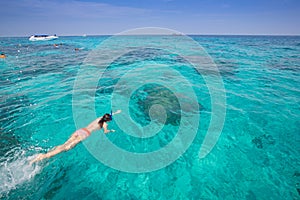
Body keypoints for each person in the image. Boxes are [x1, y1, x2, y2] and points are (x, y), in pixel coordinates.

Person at [31, 110, 122, 163]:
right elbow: (106, 132)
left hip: (80, 130)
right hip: (84, 134)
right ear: (108, 120)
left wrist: (116, 112)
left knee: (65, 144)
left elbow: (107, 116)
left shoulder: (99, 118)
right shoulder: (105, 124)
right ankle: (43, 156)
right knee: (65, 148)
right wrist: (111, 131)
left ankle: (49, 152)